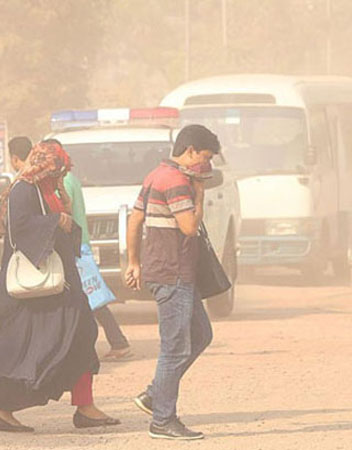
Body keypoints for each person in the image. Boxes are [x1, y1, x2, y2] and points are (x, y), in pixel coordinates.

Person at [0, 141, 119, 433]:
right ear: (43, 166)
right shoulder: (24, 189)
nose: (60, 176)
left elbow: (62, 229)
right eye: (57, 171)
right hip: (35, 293)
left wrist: (64, 209)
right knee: (27, 350)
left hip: (61, 288)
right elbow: (20, 228)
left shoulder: (48, 191)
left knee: (82, 336)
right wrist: (57, 219)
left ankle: (85, 407)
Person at [124, 124, 219, 440]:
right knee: (175, 348)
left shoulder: (155, 175)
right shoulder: (179, 182)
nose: (204, 165)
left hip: (168, 271)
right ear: (190, 151)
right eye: (203, 157)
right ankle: (163, 419)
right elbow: (190, 226)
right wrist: (200, 193)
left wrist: (134, 261)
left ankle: (155, 394)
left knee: (201, 334)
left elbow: (135, 220)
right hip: (173, 273)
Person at [46, 138, 132, 360]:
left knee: (91, 298)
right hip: (80, 243)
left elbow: (64, 209)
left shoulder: (62, 181)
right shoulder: (72, 178)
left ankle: (118, 341)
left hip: (75, 246)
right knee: (87, 297)